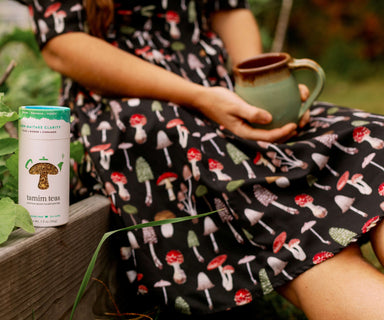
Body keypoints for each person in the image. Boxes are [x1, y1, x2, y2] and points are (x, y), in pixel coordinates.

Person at [22, 0, 384, 318]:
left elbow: (229, 8)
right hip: (136, 116)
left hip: (222, 95)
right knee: (297, 233)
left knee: (371, 138)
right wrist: (199, 97)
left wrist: (257, 87)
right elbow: (63, 45)